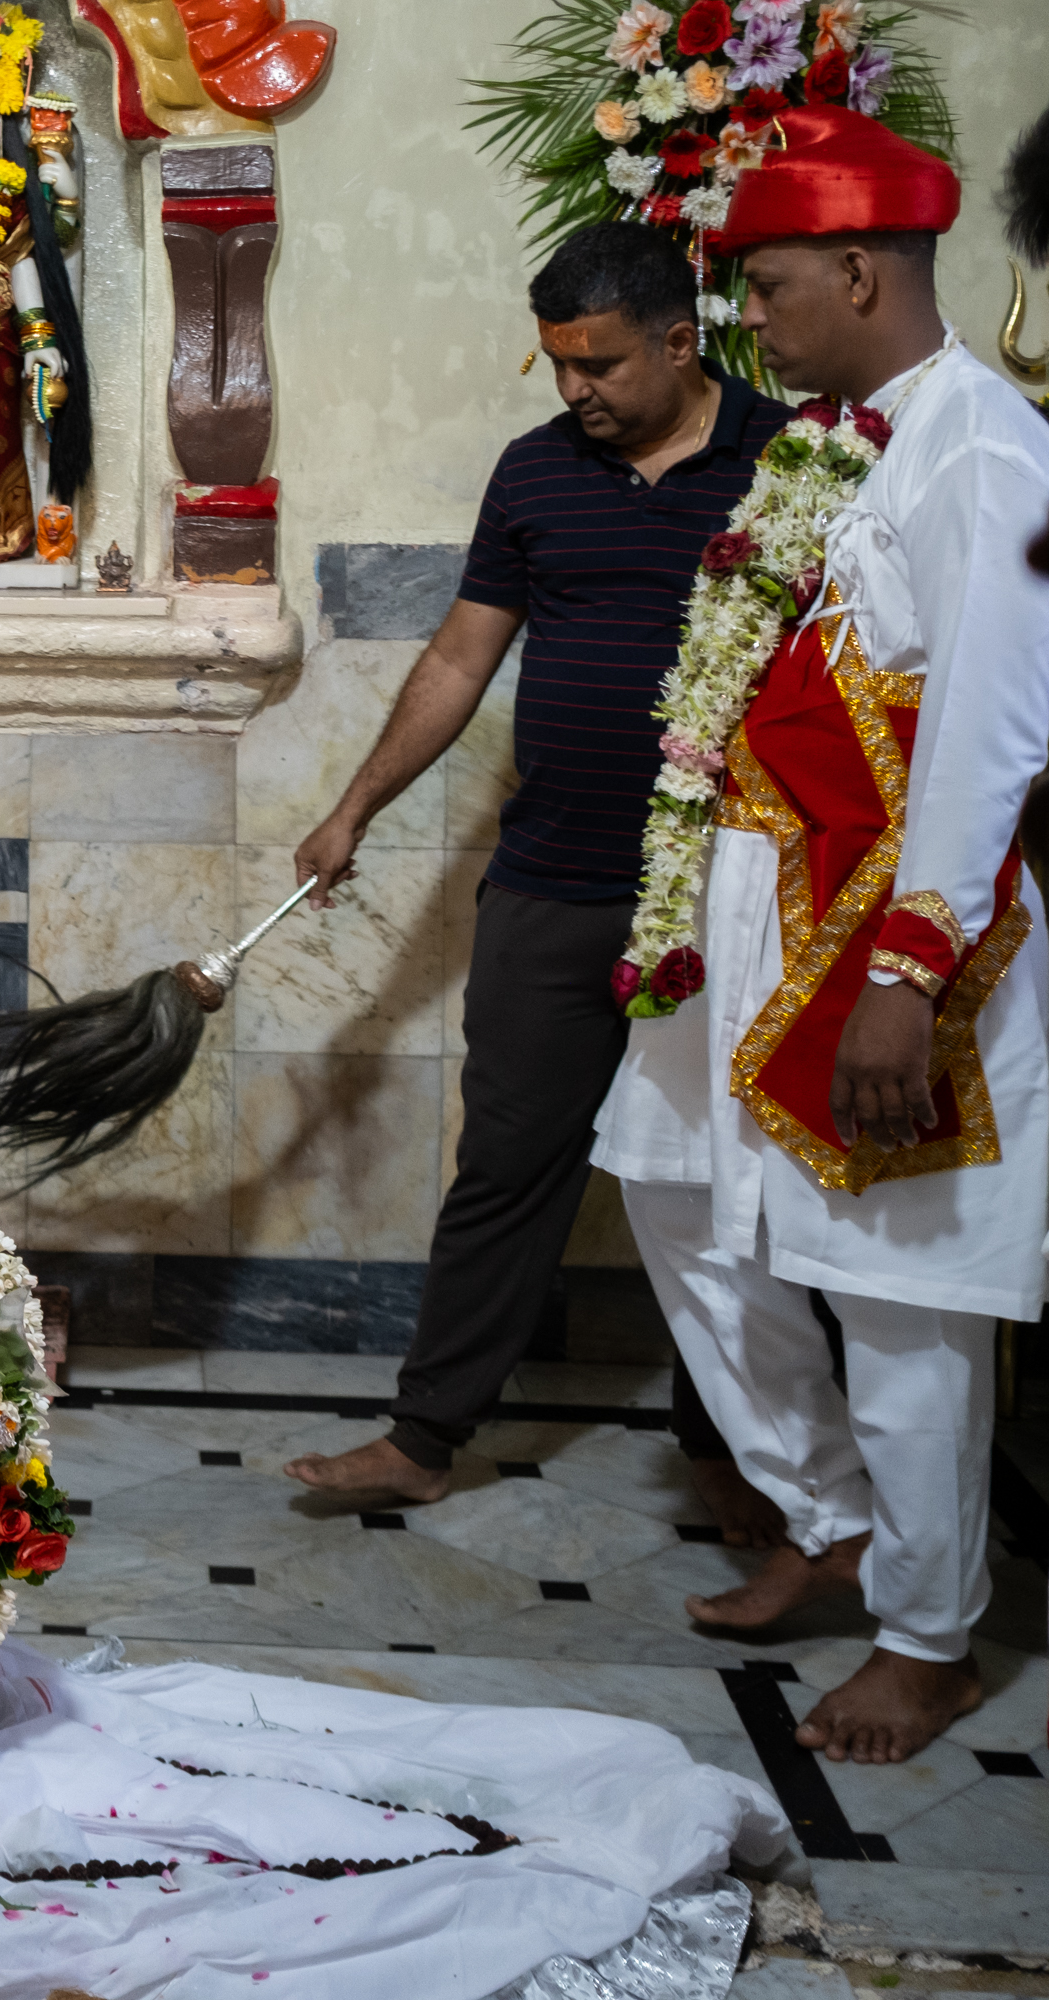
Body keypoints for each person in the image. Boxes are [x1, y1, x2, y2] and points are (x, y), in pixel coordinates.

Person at [595, 107, 1049, 1765]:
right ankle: (831, 1513)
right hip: (762, 916)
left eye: (770, 286)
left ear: (862, 272)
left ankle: (929, 1641)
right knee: (671, 1183)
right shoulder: (840, 438)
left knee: (902, 1291)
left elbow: (995, 727)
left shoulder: (981, 448)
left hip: (895, 937)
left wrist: (908, 974)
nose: (748, 321)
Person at [281, 223, 792, 1518]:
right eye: (558, 363)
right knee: (506, 1164)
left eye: (600, 364)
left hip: (733, 893)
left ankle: (736, 1450)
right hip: (554, 882)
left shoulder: (790, 460)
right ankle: (424, 1435)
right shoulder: (536, 471)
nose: (575, 389)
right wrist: (353, 808)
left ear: (681, 340)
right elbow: (462, 655)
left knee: (733, 1181)